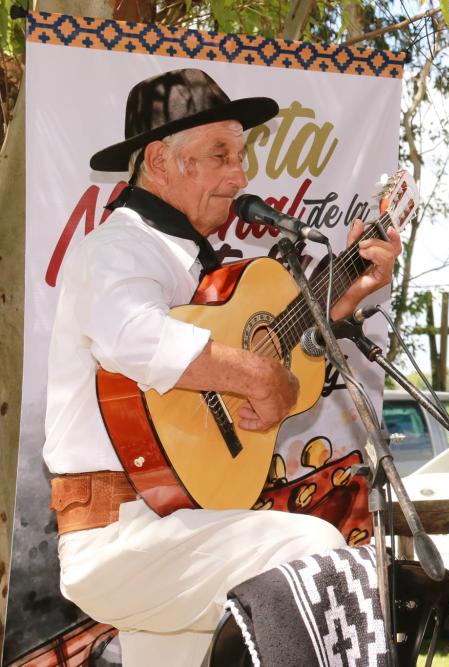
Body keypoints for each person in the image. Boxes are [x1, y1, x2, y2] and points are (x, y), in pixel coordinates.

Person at [44, 68, 401, 665]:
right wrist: (260, 376)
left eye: (242, 156)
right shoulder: (118, 246)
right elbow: (132, 335)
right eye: (221, 155)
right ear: (158, 161)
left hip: (177, 523)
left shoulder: (191, 267)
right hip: (121, 534)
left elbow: (270, 347)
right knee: (312, 550)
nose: (241, 177)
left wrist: (342, 296)